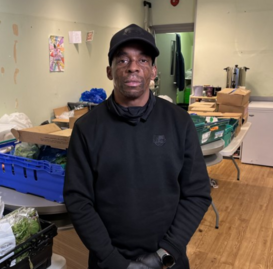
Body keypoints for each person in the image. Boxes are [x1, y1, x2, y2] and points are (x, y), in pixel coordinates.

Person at [63, 24, 212, 269]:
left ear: (153, 71)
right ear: (109, 71)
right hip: (108, 261)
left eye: (142, 60)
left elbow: (197, 193)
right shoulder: (87, 128)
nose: (133, 67)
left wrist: (165, 253)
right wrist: (113, 261)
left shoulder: (179, 122)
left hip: (168, 260)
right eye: (122, 60)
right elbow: (78, 200)